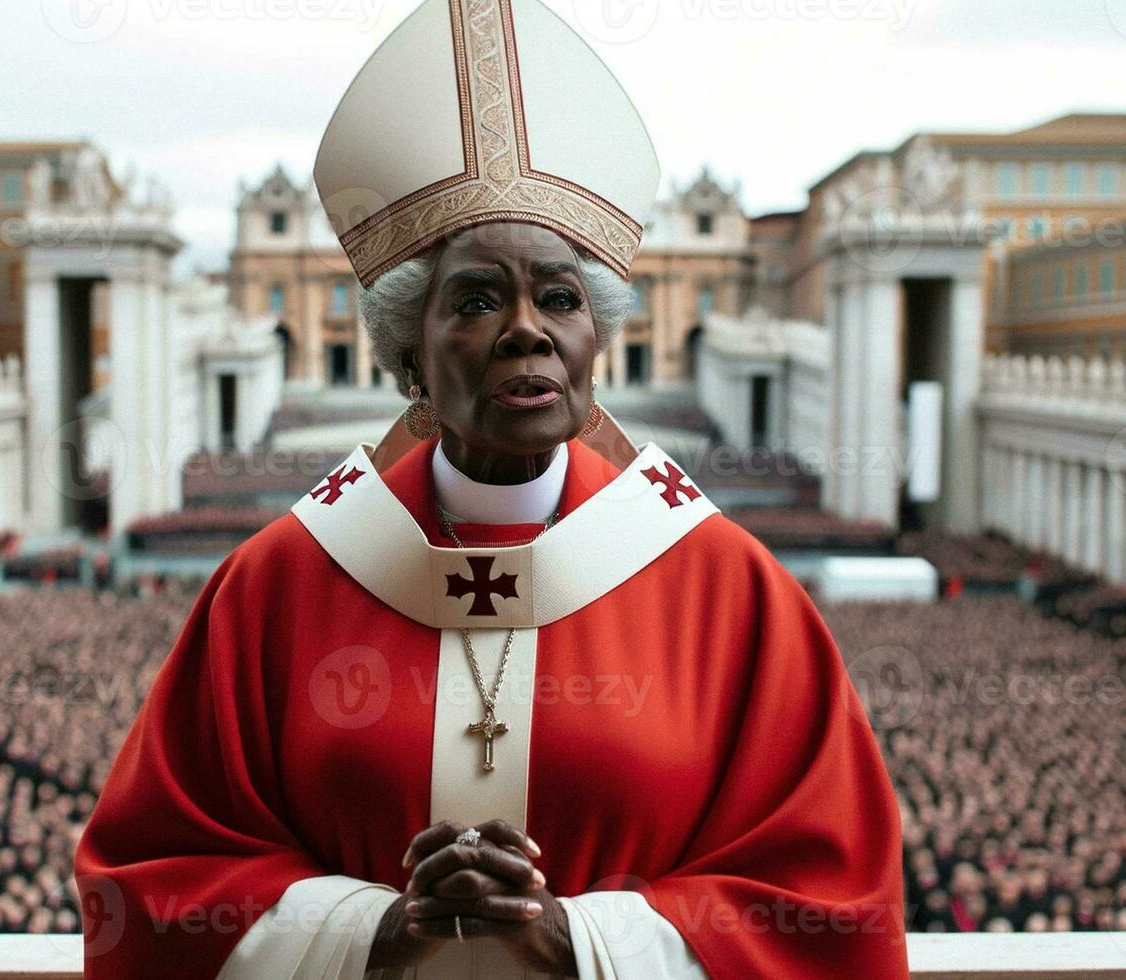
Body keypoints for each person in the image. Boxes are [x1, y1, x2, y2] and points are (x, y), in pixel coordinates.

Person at [74, 0, 908, 976]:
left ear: (597, 342)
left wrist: (584, 942)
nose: (527, 328)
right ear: (406, 352)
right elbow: (153, 872)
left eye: (560, 296)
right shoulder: (277, 585)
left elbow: (828, 893)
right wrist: (366, 931)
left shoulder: (725, 588)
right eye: (475, 299)